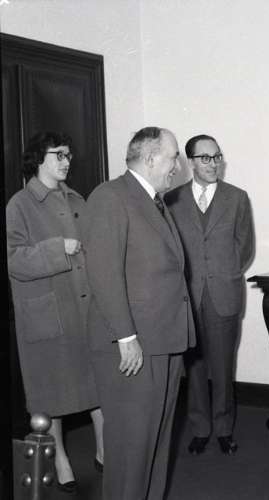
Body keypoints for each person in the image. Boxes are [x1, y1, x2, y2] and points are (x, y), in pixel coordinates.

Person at [83, 127, 196, 500]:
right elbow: (103, 273)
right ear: (149, 158)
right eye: (173, 157)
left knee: (156, 446)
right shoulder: (110, 197)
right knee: (131, 451)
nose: (177, 166)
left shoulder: (155, 201)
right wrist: (126, 336)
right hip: (134, 347)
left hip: (163, 341)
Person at [6, 132, 104, 493]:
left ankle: (104, 449)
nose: (66, 161)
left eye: (68, 155)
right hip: (50, 312)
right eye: (58, 154)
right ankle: (60, 459)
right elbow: (13, 259)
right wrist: (57, 248)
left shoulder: (77, 198)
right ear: (38, 159)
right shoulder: (19, 205)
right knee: (52, 392)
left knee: (97, 385)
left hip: (85, 308)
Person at [164, 134, 254, 455]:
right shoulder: (171, 199)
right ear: (191, 162)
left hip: (223, 295)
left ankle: (224, 428)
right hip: (187, 297)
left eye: (217, 157)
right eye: (205, 158)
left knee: (223, 367)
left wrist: (223, 272)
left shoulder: (237, 198)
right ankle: (200, 428)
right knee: (194, 367)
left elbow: (245, 247)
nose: (214, 163)